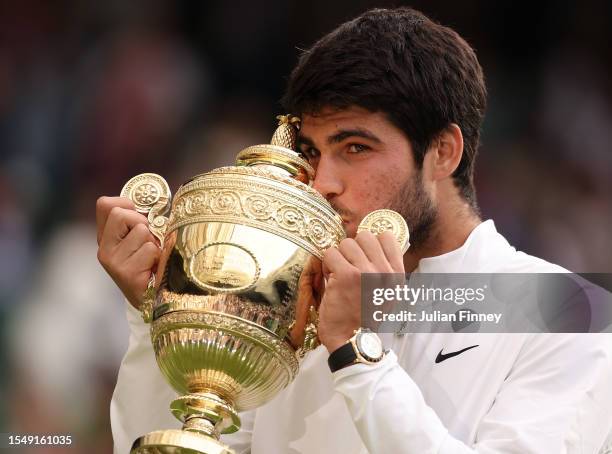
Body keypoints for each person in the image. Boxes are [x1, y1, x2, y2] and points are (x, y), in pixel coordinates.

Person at [97, 7, 612, 454]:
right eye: (313, 152)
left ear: (444, 152)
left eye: (356, 148)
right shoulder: (293, 296)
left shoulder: (566, 309)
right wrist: (155, 317)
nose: (323, 183)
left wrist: (357, 354)